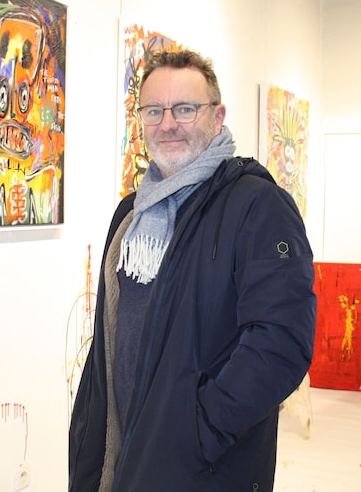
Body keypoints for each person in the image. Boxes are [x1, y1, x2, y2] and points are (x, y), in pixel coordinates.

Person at [68, 49, 317, 492]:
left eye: (185, 109)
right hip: (125, 453)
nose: (167, 124)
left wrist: (200, 431)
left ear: (217, 117)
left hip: (201, 466)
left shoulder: (257, 207)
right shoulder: (131, 214)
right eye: (154, 110)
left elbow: (282, 342)